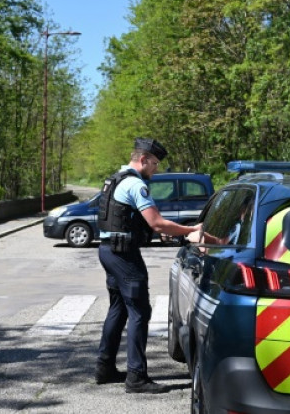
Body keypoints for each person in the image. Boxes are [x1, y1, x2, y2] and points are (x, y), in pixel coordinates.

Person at [95, 138, 209, 394]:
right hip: (124, 256)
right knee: (139, 312)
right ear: (143, 159)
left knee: (118, 309)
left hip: (108, 251)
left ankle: (104, 368)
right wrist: (191, 229)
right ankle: (136, 377)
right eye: (155, 163)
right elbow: (156, 222)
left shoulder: (115, 179)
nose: (156, 169)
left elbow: (128, 220)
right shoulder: (135, 184)